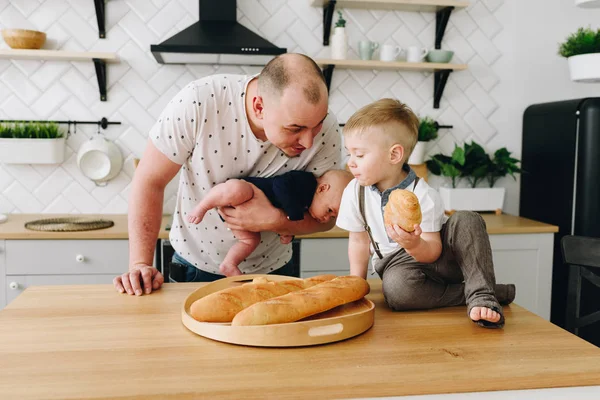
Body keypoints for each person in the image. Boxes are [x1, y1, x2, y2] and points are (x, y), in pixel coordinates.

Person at [113, 53, 342, 295]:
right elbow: (149, 181)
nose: (308, 142)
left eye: (317, 125)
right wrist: (139, 264)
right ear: (259, 107)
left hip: (276, 272)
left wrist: (275, 221)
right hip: (193, 270)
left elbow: (327, 219)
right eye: (295, 129)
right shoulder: (199, 102)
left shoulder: (326, 131)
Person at [335, 98, 516, 328]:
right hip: (398, 267)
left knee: (467, 219)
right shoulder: (355, 192)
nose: (350, 163)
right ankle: (478, 293)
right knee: (397, 292)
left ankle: (483, 297)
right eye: (349, 154)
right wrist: (356, 288)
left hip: (439, 256)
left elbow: (432, 251)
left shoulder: (423, 194)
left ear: (394, 155)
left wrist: (413, 244)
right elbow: (359, 242)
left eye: (359, 155)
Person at [186, 169, 353, 276]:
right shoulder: (306, 181)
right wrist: (293, 216)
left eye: (332, 217)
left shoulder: (309, 205)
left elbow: (281, 219)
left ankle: (229, 264)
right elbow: (281, 186)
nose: (326, 219)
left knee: (250, 240)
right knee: (235, 189)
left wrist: (287, 231)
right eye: (330, 210)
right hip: (249, 192)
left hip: (241, 219)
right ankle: (202, 206)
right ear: (323, 188)